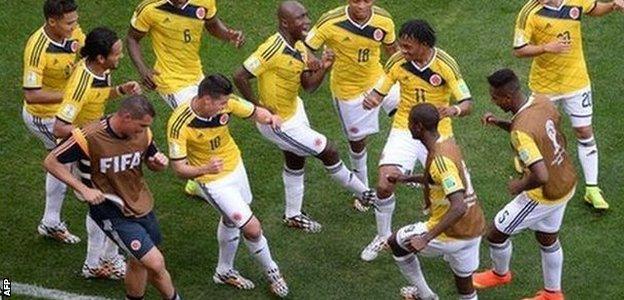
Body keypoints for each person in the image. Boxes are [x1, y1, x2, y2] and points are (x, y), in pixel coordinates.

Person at [233, 0, 372, 234]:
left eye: (306, 15)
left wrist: (325, 67)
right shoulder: (272, 48)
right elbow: (240, 76)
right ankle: (368, 195)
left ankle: (293, 215)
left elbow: (308, 86)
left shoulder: (299, 46)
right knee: (329, 150)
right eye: (301, 18)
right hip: (279, 123)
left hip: (294, 110)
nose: (307, 21)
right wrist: (259, 109)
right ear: (285, 22)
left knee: (295, 159)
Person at [44, 95, 182, 300]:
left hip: (141, 204)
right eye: (141, 125)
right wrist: (83, 188)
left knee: (140, 262)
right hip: (112, 210)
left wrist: (158, 163)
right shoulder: (88, 136)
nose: (142, 131)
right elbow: (51, 161)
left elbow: (150, 160)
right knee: (155, 262)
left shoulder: (144, 134)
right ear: (126, 117)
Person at [360, 19, 473, 261]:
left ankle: (451, 238)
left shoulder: (445, 65)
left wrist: (454, 110)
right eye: (401, 45)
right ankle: (382, 236)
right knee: (384, 184)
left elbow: (467, 103)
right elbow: (380, 91)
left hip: (437, 132)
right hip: (406, 127)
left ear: (424, 45)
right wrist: (372, 99)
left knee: (457, 191)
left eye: (408, 47)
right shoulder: (398, 61)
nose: (403, 51)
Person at [168, 74, 288, 297]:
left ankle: (223, 271)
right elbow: (178, 168)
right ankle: (272, 271)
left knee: (232, 219)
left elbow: (254, 112)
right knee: (252, 228)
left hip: (235, 165)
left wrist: (270, 117)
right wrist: (205, 169)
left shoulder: (227, 102)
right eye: (221, 103)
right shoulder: (179, 124)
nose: (226, 107)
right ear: (205, 100)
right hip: (212, 180)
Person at [473, 69, 577, 300]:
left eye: (495, 97)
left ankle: (500, 275)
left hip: (543, 194)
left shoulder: (521, 132)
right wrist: (501, 122)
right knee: (547, 239)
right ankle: (553, 293)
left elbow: (540, 175)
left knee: (496, 233)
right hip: (566, 179)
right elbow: (537, 129)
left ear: (507, 98)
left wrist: (519, 186)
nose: (493, 100)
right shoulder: (541, 101)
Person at [512, 0, 624, 209]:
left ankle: (592, 189)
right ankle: (525, 159)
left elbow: (594, 9)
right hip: (544, 85)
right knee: (538, 132)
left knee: (583, 131)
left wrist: (612, 6)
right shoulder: (529, 11)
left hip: (577, 82)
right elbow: (519, 49)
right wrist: (546, 47)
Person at [127, 0, 245, 197]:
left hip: (196, 75)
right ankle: (198, 180)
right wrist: (143, 69)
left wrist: (228, 34)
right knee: (194, 121)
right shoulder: (150, 7)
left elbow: (212, 23)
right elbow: (132, 38)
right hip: (169, 80)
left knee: (212, 117)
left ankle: (196, 180)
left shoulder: (204, 1)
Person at [54, 26, 141, 279]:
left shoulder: (100, 70)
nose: (121, 57)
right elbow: (60, 127)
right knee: (105, 201)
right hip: (89, 148)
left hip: (100, 144)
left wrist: (121, 91)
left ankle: (105, 259)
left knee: (112, 199)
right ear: (101, 57)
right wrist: (96, 135)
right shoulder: (81, 82)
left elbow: (98, 97)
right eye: (116, 54)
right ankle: (97, 263)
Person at [304, 0, 399, 210]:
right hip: (348, 90)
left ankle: (405, 168)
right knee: (357, 141)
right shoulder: (330, 21)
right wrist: (317, 62)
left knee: (411, 118)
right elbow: (305, 46)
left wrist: (403, 75)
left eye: (366, 1)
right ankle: (363, 190)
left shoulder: (383, 19)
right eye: (356, 0)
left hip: (378, 79)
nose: (361, 6)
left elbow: (393, 50)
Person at [386, 103, 485, 300]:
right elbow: (438, 179)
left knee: (395, 242)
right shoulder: (447, 145)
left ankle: (426, 295)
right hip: (474, 228)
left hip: (451, 234)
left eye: (409, 122)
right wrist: (406, 178)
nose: (407, 126)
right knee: (464, 283)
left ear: (418, 127)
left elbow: (458, 205)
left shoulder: (440, 160)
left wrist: (426, 237)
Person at [22, 0, 84, 245]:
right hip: (43, 116)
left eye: (75, 20)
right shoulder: (37, 48)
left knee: (69, 155)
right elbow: (31, 94)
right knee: (63, 161)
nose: (75, 26)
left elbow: (86, 49)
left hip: (65, 111)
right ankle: (51, 221)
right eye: (70, 22)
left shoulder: (71, 31)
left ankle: (52, 219)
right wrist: (73, 92)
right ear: (52, 21)